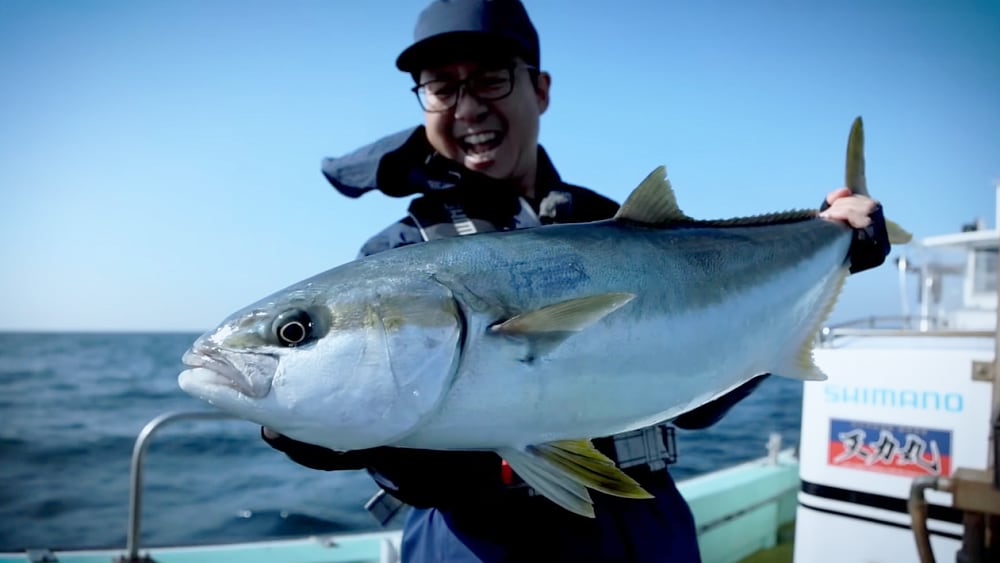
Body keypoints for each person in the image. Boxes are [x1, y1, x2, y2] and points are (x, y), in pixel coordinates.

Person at [262, 1, 891, 561]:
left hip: (645, 533)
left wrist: (826, 257)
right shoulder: (398, 256)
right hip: (477, 545)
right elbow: (419, 472)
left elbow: (700, 403)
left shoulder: (618, 223)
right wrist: (358, 441)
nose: (468, 106)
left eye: (490, 78)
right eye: (440, 87)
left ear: (540, 90)